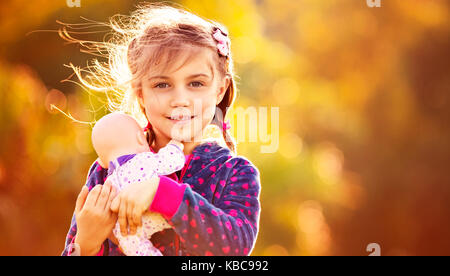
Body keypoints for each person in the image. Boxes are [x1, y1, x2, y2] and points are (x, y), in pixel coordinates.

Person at [61, 3, 261, 256]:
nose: (180, 99)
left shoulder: (232, 173)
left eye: (196, 83)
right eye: (162, 84)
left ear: (219, 89)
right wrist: (87, 243)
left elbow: (235, 246)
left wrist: (163, 193)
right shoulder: (107, 170)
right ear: (140, 93)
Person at [91, 112, 186, 256]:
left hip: (127, 228)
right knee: (182, 214)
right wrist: (175, 146)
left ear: (102, 162)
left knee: (135, 246)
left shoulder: (109, 182)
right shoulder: (143, 160)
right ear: (141, 139)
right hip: (155, 211)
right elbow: (172, 162)